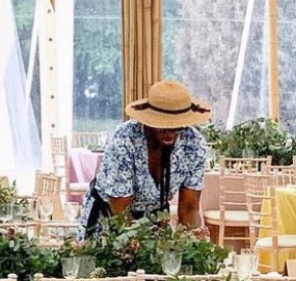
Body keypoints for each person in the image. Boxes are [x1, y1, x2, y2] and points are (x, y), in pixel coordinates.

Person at [78, 80, 211, 237]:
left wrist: (192, 240)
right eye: (163, 125)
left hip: (154, 220)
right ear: (149, 119)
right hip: (110, 218)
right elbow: (120, 212)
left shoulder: (194, 145)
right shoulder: (124, 140)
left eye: (177, 126)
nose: (170, 132)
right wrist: (145, 250)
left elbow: (189, 208)